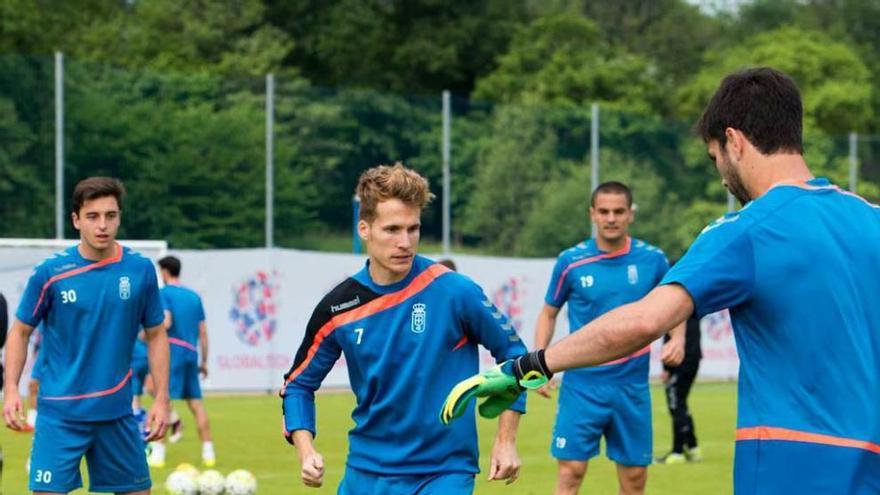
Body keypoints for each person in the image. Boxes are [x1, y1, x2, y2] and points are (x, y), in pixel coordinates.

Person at [446, 67, 880, 494]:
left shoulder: (745, 231)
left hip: (792, 464)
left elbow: (642, 323)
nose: (723, 175)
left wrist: (529, 366)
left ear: (734, 141)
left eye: (715, 159)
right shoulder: (871, 218)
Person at [281, 162, 528, 494]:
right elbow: (298, 385)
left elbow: (516, 357)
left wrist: (505, 440)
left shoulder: (455, 291)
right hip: (366, 473)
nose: (405, 242)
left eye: (413, 229)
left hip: (444, 471)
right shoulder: (337, 307)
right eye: (392, 230)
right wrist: (305, 449)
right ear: (364, 229)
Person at [2, 176, 170, 495]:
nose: (102, 225)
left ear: (120, 217)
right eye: (93, 216)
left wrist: (162, 399)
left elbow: (157, 334)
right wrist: (11, 389)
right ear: (76, 220)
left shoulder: (140, 269)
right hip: (59, 416)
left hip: (117, 414)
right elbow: (21, 331)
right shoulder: (50, 273)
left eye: (111, 215)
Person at [533, 181, 685, 495]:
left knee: (633, 481)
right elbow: (548, 313)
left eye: (619, 211)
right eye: (604, 211)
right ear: (592, 214)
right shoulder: (570, 261)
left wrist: (677, 339)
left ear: (631, 214)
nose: (611, 218)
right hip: (582, 386)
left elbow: (677, 303)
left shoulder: (653, 259)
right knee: (571, 472)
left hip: (631, 386)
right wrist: (540, 361)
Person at [147, 255, 214, 468]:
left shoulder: (163, 293)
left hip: (172, 351)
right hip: (191, 352)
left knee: (161, 400)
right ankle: (208, 453)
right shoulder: (194, 297)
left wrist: (145, 334)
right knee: (196, 404)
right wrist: (204, 361)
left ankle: (157, 454)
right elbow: (203, 332)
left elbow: (166, 321)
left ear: (165, 271)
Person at [655, 310, 702, 464]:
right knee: (681, 403)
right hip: (693, 358)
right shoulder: (693, 307)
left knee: (676, 405)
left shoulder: (676, 309)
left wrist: (666, 368)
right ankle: (693, 447)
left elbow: (670, 339)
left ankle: (678, 451)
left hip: (681, 360)